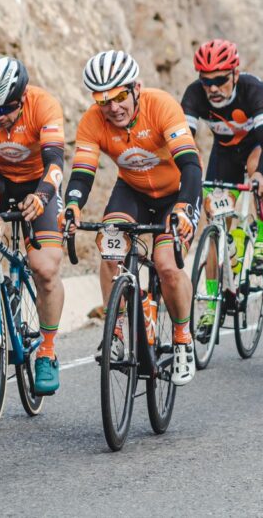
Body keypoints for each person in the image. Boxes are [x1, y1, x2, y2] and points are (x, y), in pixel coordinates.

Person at [62, 50, 201, 386]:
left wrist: (184, 207)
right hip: (133, 192)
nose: (113, 107)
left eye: (120, 96)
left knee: (166, 263)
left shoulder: (161, 105)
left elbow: (190, 165)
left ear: (136, 88)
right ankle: (119, 331)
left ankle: (183, 338)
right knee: (111, 250)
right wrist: (72, 204)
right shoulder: (92, 121)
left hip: (175, 193)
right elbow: (82, 172)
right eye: (103, 100)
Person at [0, 56, 66, 394]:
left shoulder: (43, 105)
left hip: (38, 182)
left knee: (45, 269)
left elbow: (55, 163)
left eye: (6, 108)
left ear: (22, 98)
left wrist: (43, 197)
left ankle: (47, 352)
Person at [180, 39, 263, 268]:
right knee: (215, 219)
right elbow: (183, 141)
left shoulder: (253, 90)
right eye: (206, 81)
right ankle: (213, 301)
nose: (212, 88)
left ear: (235, 74)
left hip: (259, 145)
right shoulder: (194, 94)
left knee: (258, 171)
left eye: (220, 80)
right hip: (225, 152)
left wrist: (262, 175)